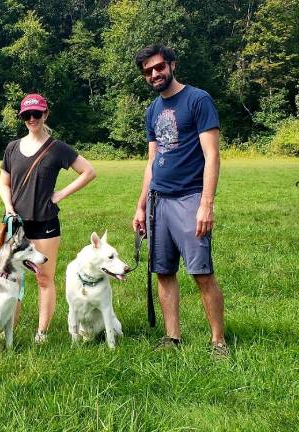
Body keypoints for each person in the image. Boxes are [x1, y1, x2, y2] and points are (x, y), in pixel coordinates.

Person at [131, 45, 229, 356]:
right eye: (147, 71)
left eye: (158, 67)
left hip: (190, 197)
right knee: (163, 270)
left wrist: (206, 204)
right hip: (159, 201)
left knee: (201, 271)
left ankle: (218, 342)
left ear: (172, 64)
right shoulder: (152, 110)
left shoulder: (198, 100)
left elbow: (212, 156)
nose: (154, 74)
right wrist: (141, 204)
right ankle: (173, 338)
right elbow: (151, 159)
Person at [0, 93, 96, 343]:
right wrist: (8, 206)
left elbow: (88, 171)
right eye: (27, 115)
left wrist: (60, 194)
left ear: (45, 114)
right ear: (22, 117)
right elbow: (4, 184)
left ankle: (41, 333)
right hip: (17, 225)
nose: (32, 119)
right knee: (12, 279)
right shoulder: (12, 148)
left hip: (45, 223)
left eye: (37, 114)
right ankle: (9, 329)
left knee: (44, 278)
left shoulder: (58, 148)